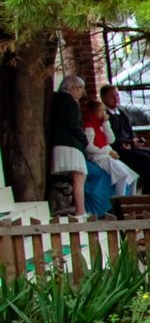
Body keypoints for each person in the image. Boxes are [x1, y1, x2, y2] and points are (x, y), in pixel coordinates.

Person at [99, 85, 150, 194]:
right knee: (145, 158)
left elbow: (129, 131)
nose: (116, 99)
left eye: (117, 95)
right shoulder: (105, 116)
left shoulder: (121, 113)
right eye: (112, 96)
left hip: (129, 146)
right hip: (116, 150)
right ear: (104, 98)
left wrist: (134, 140)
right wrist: (126, 143)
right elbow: (111, 137)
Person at [77, 98, 131, 212]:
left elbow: (111, 140)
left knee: (131, 176)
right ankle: (118, 204)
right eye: (101, 111)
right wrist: (107, 151)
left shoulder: (101, 126)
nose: (104, 113)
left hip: (106, 155)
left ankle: (128, 201)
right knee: (122, 176)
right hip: (99, 157)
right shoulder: (89, 127)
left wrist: (106, 124)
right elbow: (89, 147)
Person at [47, 74, 89, 217]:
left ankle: (78, 209)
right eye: (80, 88)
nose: (82, 92)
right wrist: (84, 139)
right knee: (79, 177)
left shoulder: (58, 100)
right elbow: (73, 125)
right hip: (70, 145)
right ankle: (81, 211)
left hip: (60, 143)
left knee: (76, 177)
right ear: (72, 87)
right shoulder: (70, 101)